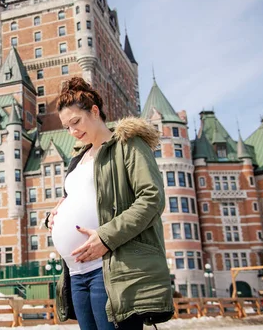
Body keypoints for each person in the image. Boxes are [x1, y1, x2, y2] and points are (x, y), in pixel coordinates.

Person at [47, 77, 173, 330]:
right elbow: (78, 199)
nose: (72, 131)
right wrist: (54, 216)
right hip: (76, 273)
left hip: (110, 269)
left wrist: (106, 236)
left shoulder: (127, 144)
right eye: (66, 127)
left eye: (76, 122)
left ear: (94, 111)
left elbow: (152, 198)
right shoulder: (78, 159)